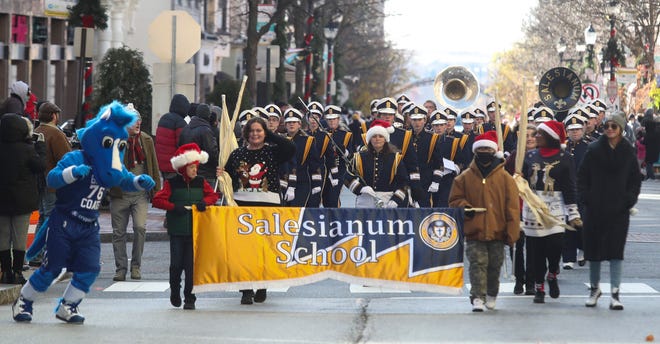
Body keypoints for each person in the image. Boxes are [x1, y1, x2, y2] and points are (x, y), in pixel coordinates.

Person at [220, 116, 296, 305]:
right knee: (244, 250)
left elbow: (290, 148)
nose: (255, 134)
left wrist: (269, 134)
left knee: (264, 249)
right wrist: (221, 174)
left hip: (268, 206)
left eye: (259, 131)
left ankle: (262, 284)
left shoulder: (272, 153)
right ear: (246, 133)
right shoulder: (237, 154)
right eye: (252, 131)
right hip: (243, 206)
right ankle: (246, 289)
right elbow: (229, 175)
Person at [449, 130, 520, 312]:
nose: (484, 152)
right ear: (475, 152)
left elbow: (512, 207)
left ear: (494, 151)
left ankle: (491, 294)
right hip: (475, 230)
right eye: (480, 149)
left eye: (488, 149)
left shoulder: (505, 179)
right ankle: (477, 297)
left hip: (498, 230)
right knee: (477, 264)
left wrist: (512, 232)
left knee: (494, 265)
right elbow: (454, 200)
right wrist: (465, 208)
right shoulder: (464, 178)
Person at [578, 112, 642, 310]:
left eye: (614, 126)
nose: (610, 130)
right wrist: (587, 199)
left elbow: (635, 179)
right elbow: (582, 177)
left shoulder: (628, 151)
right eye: (607, 126)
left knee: (616, 252)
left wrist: (628, 200)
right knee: (593, 251)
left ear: (621, 128)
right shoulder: (593, 149)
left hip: (618, 210)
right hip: (595, 208)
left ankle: (615, 294)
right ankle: (594, 289)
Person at [152, 143, 218, 310]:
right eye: (192, 167)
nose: (196, 170)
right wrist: (174, 207)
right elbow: (157, 200)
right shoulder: (171, 183)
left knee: (191, 266)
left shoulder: (201, 182)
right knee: (176, 264)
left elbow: (213, 196)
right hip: (177, 230)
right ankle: (175, 290)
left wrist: (204, 202)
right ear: (183, 168)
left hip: (195, 230)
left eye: (196, 167)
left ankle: (190, 297)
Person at [521, 120, 581, 304]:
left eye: (540, 134)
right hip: (532, 209)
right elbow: (522, 181)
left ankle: (552, 273)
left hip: (555, 208)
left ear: (550, 137)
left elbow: (570, 187)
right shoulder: (530, 156)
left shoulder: (564, 158)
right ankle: (539, 287)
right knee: (536, 252)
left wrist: (573, 213)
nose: (536, 137)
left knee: (555, 248)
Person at [109, 105, 161, 281]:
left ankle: (136, 266)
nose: (138, 123)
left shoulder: (146, 140)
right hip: (120, 193)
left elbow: (153, 166)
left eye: (139, 119)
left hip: (140, 195)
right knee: (118, 233)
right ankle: (121, 268)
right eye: (133, 120)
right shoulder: (115, 140)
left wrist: (156, 190)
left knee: (140, 227)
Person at [0, 114, 46, 284]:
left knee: (3, 236)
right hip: (22, 200)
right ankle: (18, 272)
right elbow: (40, 166)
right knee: (20, 237)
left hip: (2, 200)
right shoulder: (27, 149)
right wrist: (40, 146)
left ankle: (5, 271)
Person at [30, 102, 72, 267]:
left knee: (42, 217)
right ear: (54, 116)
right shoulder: (55, 134)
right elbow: (66, 159)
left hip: (37, 183)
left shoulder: (35, 132)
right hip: (53, 183)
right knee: (51, 218)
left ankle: (36, 254)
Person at [504, 123, 537, 295]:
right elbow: (502, 176)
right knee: (516, 244)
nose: (530, 138)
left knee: (533, 246)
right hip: (517, 206)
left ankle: (531, 280)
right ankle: (519, 278)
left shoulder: (542, 156)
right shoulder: (515, 156)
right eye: (527, 135)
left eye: (533, 135)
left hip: (535, 206)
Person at [345, 120, 408, 208]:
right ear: (370, 139)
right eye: (374, 136)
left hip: (387, 200)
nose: (377, 139)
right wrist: (360, 188)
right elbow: (346, 176)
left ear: (385, 139)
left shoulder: (395, 158)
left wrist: (396, 200)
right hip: (365, 199)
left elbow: (403, 181)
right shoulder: (359, 157)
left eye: (380, 136)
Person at [281, 108, 323, 207]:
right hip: (284, 182)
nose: (291, 124)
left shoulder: (308, 140)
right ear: (285, 125)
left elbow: (314, 163)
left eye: (294, 122)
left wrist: (316, 183)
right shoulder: (281, 140)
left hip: (301, 182)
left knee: (297, 211)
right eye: (289, 122)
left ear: (299, 124)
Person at [178, 103, 219, 186]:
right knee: (207, 198)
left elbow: (180, 147)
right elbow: (212, 153)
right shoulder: (206, 130)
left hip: (189, 172)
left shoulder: (186, 129)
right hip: (206, 174)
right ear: (208, 116)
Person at [155, 94, 191, 180]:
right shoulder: (180, 122)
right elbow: (183, 145)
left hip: (162, 164)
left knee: (166, 189)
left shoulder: (163, 118)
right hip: (174, 167)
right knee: (176, 191)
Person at [642, 108, 660, 180]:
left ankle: (650, 175)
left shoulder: (648, 134)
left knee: (649, 163)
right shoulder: (656, 132)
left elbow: (644, 142)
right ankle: (650, 175)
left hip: (649, 150)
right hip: (656, 149)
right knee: (651, 162)